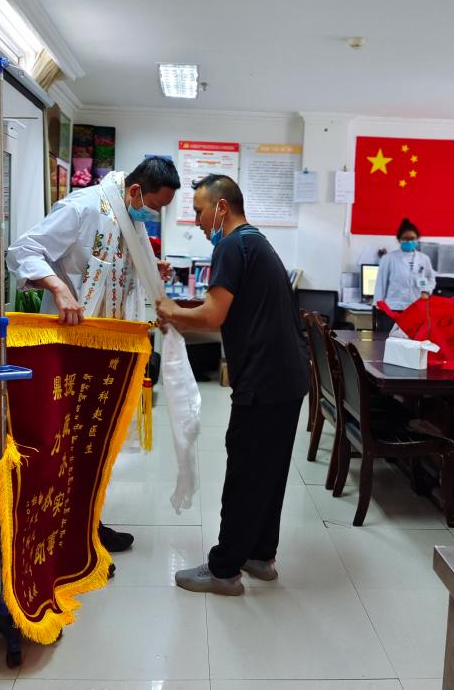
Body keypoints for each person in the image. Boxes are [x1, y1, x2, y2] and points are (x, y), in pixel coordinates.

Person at [7, 156, 181, 553]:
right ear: (136, 190)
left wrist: (152, 269)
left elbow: (118, 267)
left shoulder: (129, 215)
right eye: (155, 205)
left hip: (108, 348)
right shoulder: (83, 207)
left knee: (96, 441)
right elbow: (23, 250)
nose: (154, 215)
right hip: (72, 345)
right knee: (68, 442)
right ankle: (66, 534)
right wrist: (57, 287)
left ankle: (88, 525)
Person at [156, 174, 309, 595]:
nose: (196, 220)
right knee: (270, 470)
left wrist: (170, 311)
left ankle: (224, 570)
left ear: (221, 207)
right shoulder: (255, 242)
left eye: (199, 211)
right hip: (288, 376)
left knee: (245, 470)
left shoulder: (230, 244)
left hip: (264, 378)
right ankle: (260, 554)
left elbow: (212, 315)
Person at [373, 218, 436, 312]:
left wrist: (426, 291)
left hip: (417, 306)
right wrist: (378, 305)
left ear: (417, 239)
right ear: (399, 240)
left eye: (412, 238)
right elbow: (380, 284)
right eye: (405, 238)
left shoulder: (424, 258)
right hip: (394, 307)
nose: (409, 242)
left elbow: (431, 279)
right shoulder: (388, 258)